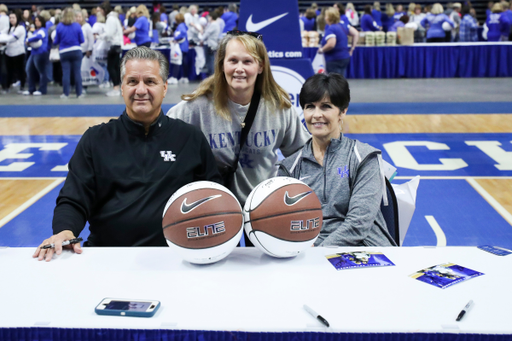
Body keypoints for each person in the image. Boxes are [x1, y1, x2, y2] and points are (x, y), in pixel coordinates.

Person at [33, 46, 221, 262]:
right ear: (122, 87)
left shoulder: (190, 138)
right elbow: (74, 199)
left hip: (175, 258)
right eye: (132, 81)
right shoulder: (95, 140)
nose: (141, 90)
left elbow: (213, 196)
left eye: (150, 82)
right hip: (107, 258)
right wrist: (65, 230)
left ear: (165, 87)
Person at [167, 31, 310, 208]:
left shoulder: (279, 108)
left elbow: (305, 155)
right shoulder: (196, 107)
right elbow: (162, 137)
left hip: (264, 208)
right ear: (222, 65)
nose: (239, 69)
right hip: (214, 209)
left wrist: (289, 189)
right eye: (233, 61)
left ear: (260, 66)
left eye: (247, 61)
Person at [278, 73, 396, 247]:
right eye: (310, 107)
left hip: (365, 252)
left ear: (342, 112)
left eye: (325, 107)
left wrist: (317, 253)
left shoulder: (365, 158)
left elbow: (358, 225)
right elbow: (282, 222)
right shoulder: (289, 168)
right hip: (309, 256)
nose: (316, 115)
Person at [53, 7, 84, 98]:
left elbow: (56, 41)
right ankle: (79, 93)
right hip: (76, 50)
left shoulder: (59, 26)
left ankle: (66, 94)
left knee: (66, 73)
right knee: (77, 72)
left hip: (64, 51)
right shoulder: (77, 26)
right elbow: (82, 40)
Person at [318, 7, 359, 77]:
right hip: (344, 57)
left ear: (328, 18)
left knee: (334, 81)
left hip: (334, 59)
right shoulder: (343, 25)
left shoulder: (331, 28)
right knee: (341, 79)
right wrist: (352, 49)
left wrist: (322, 49)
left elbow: (331, 44)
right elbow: (356, 33)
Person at [97, 1, 123, 97]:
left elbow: (109, 33)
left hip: (114, 46)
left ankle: (116, 88)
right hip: (116, 45)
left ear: (105, 10)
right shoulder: (114, 18)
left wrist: (100, 36)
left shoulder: (110, 19)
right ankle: (117, 87)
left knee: (111, 67)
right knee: (115, 67)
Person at [23, 15, 48, 95]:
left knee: (42, 71)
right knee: (29, 69)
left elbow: (38, 37)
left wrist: (28, 40)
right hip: (34, 52)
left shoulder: (43, 30)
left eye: (38, 20)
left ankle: (42, 89)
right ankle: (31, 88)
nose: (37, 22)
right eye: (36, 20)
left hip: (41, 53)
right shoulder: (35, 31)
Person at [2, 10, 26, 94]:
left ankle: (22, 86)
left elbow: (11, 39)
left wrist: (3, 39)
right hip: (9, 53)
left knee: (20, 71)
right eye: (10, 18)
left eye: (13, 18)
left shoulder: (20, 28)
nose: (11, 19)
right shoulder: (10, 28)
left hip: (18, 53)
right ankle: (7, 87)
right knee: (9, 71)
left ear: (17, 18)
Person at [199, 10, 221, 77]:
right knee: (211, 60)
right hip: (213, 44)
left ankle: (212, 76)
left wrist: (201, 40)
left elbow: (207, 33)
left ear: (211, 17)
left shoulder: (213, 24)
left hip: (210, 44)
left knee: (210, 61)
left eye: (208, 17)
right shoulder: (216, 24)